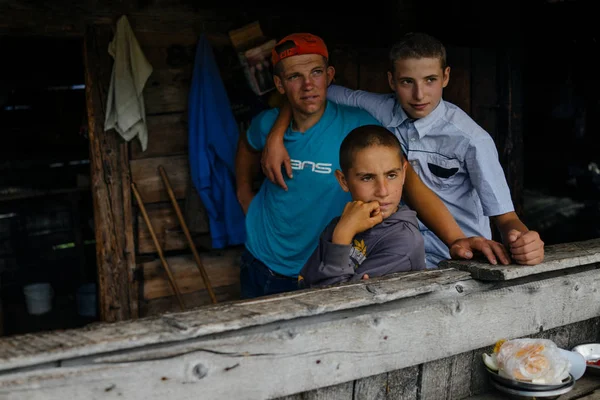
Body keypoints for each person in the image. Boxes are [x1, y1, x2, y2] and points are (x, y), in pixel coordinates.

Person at [235, 32, 509, 299]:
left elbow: (411, 184)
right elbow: (248, 145)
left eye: (316, 73)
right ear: (280, 84)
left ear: (329, 76)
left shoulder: (363, 124)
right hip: (259, 255)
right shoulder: (268, 124)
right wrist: (244, 191)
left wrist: (454, 240)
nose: (308, 84)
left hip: (324, 263)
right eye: (294, 76)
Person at [299, 125, 425, 288]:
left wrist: (343, 236)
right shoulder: (341, 224)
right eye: (367, 178)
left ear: (404, 173)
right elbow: (305, 282)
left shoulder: (404, 242)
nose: (383, 191)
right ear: (344, 181)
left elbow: (337, 302)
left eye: (391, 175)